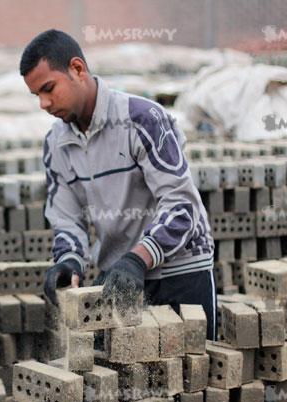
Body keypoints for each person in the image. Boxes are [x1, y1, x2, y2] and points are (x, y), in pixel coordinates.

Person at [20, 30, 216, 339]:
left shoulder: (143, 119)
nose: (43, 103)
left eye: (48, 89)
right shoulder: (56, 144)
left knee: (193, 380)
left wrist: (138, 258)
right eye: (36, 96)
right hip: (117, 277)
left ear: (78, 69)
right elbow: (67, 219)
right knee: (126, 382)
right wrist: (68, 261)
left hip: (179, 271)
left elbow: (181, 205)